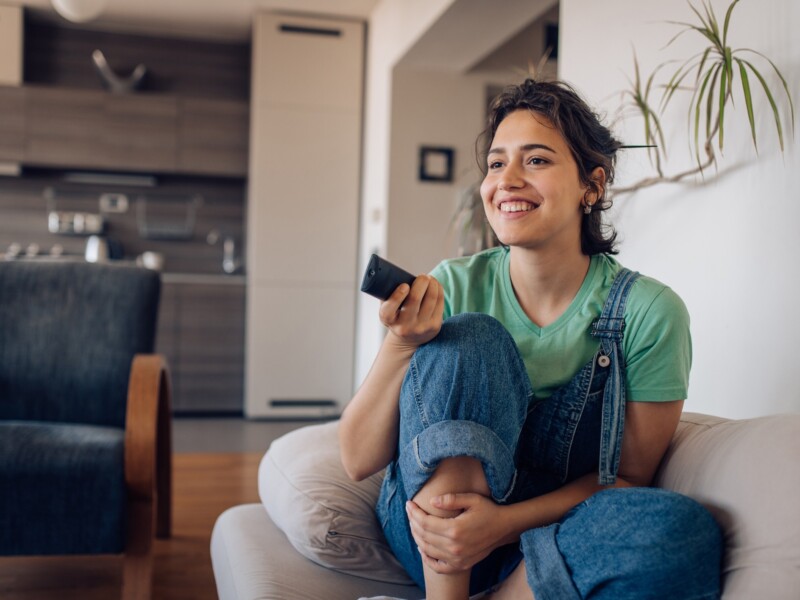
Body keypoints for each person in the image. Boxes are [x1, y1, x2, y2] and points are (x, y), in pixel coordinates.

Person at [339, 78, 722, 600]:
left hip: (551, 535)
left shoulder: (648, 312)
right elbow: (358, 459)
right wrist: (401, 345)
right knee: (473, 338)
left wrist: (502, 523)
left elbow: (627, 480)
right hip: (431, 542)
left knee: (683, 533)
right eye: (497, 164)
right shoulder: (453, 285)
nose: (508, 180)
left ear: (593, 185)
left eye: (536, 160)